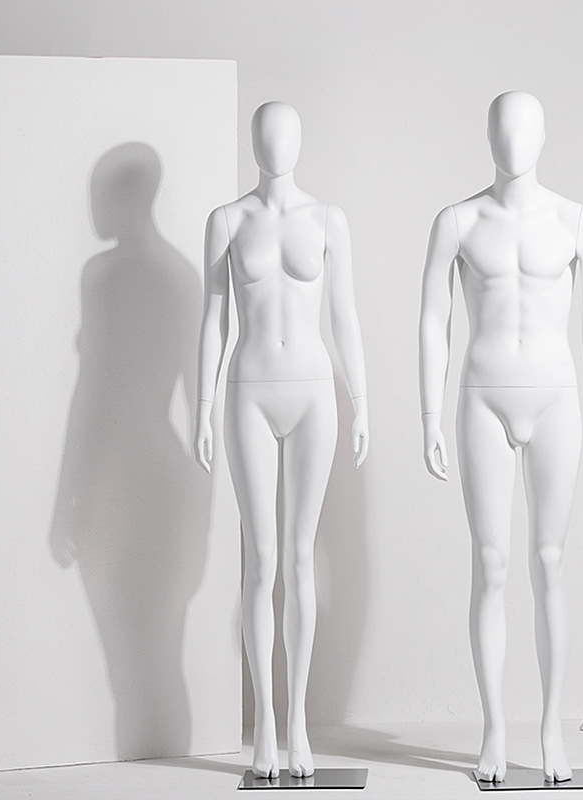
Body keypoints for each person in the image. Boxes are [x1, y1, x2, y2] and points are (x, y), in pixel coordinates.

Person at [418, 91, 583, 783]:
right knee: (492, 563)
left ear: (544, 135)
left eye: (526, 127)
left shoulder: (578, 221)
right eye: (502, 127)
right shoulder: (458, 221)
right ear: (487, 134)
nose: (514, 139)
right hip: (483, 398)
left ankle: (553, 729)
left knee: (550, 561)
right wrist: (429, 415)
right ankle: (495, 729)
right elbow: (433, 319)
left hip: (556, 398)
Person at [195, 102, 369, 778]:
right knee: (260, 560)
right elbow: (213, 319)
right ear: (253, 142)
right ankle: (264, 723)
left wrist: (363, 401)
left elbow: (345, 315)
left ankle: (297, 722)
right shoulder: (226, 220)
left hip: (314, 392)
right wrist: (202, 405)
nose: (278, 143)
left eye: (288, 132)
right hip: (248, 391)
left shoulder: (328, 219)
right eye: (268, 133)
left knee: (299, 558)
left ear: (300, 141)